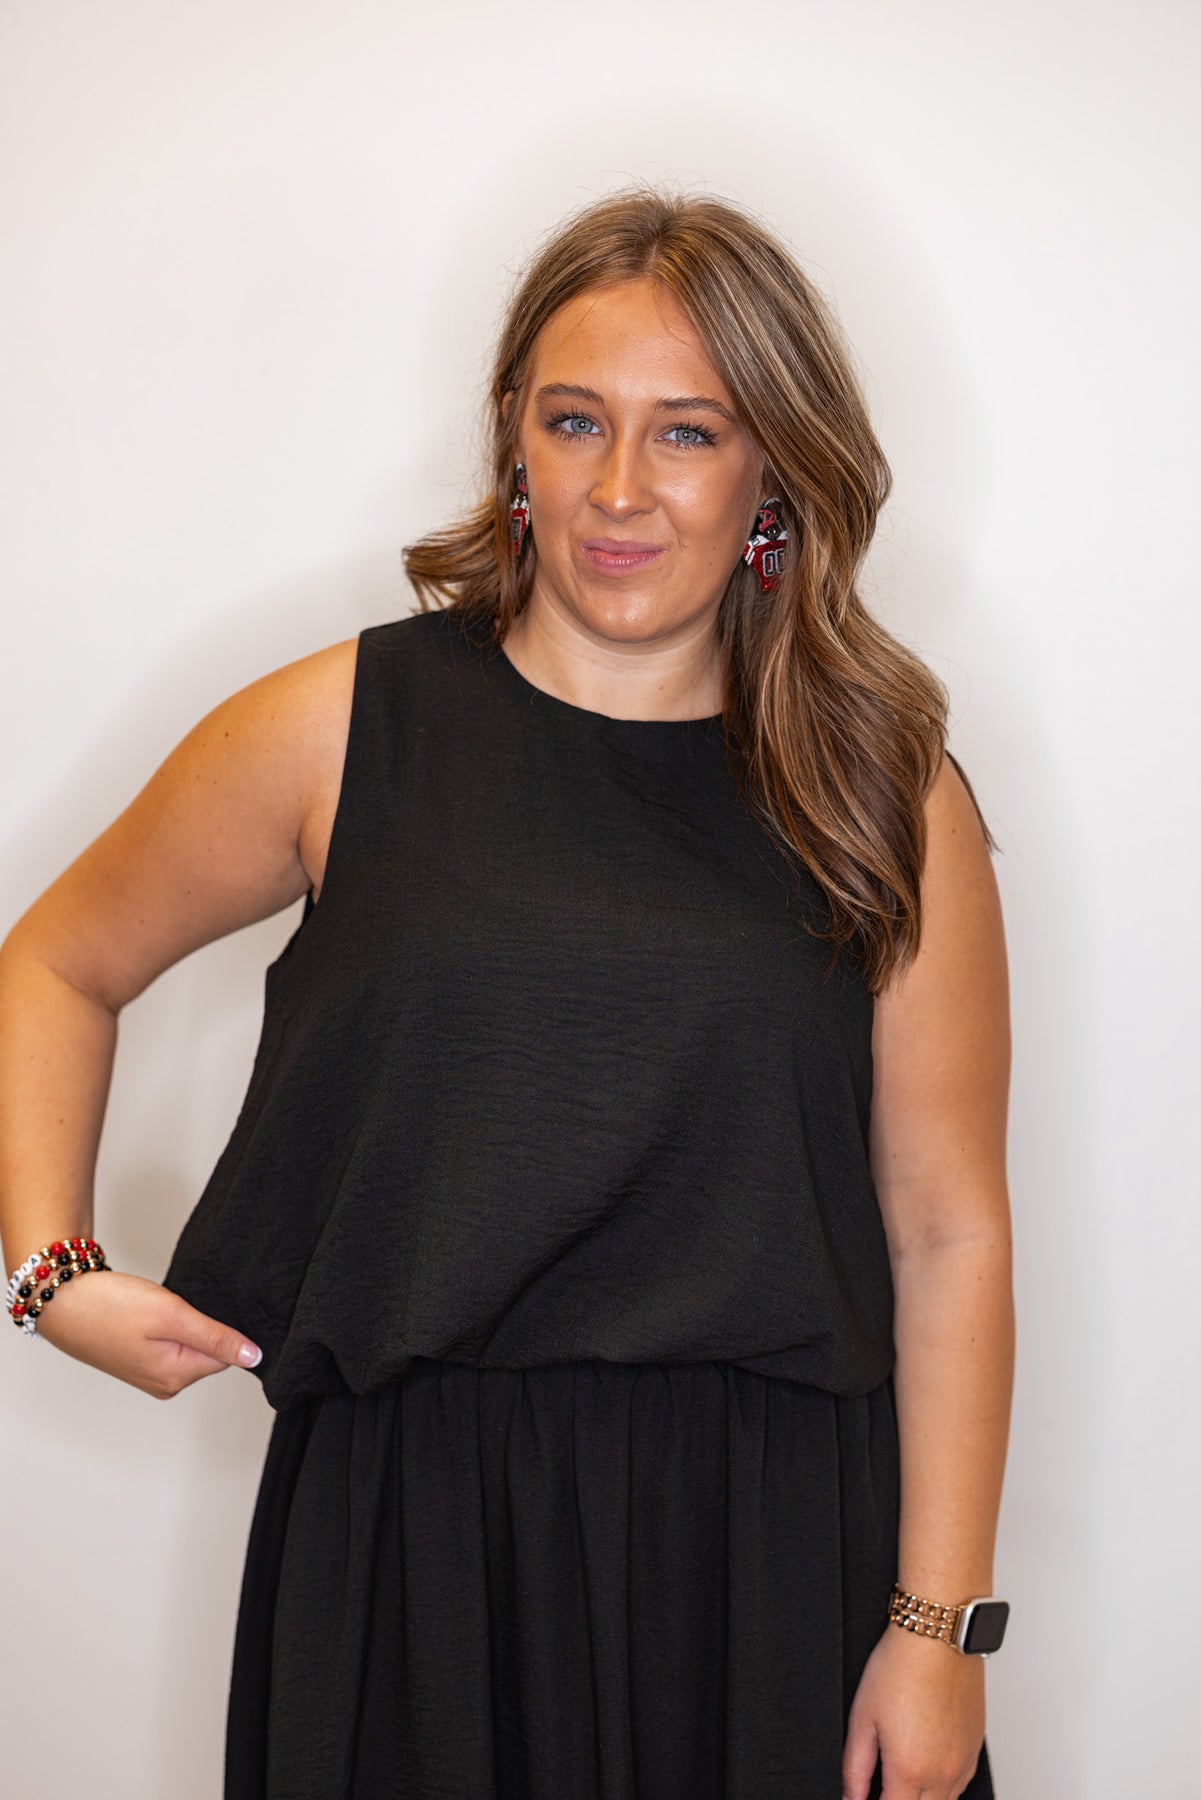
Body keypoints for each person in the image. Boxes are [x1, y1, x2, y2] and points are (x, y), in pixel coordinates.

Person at [0, 184, 1015, 1800]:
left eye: (688, 434)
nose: (619, 489)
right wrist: (49, 1271)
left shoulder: (881, 791)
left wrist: (938, 1629)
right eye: (575, 420)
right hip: (410, 1549)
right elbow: (56, 962)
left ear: (771, 468)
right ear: (512, 439)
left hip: (770, 1558)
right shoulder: (336, 731)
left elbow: (946, 1231)